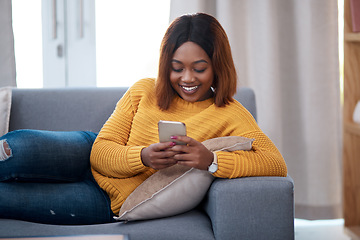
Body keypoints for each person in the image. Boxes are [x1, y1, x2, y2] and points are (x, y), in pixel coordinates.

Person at [0, 13, 287, 225]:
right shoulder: (144, 89)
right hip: (86, 153)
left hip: (106, 200)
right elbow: (100, 153)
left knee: (7, 199)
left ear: (217, 67)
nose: (187, 78)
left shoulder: (230, 112)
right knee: (17, 150)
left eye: (199, 68)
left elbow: (275, 163)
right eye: (177, 68)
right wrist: (143, 157)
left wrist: (210, 161)